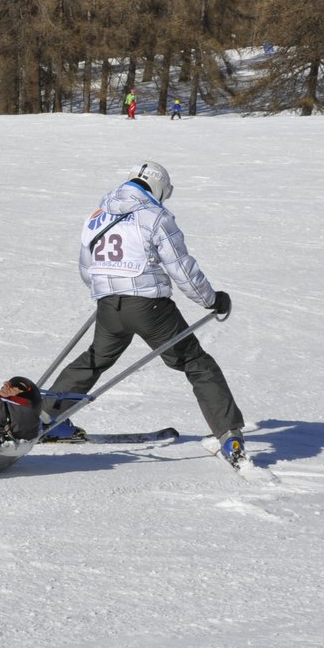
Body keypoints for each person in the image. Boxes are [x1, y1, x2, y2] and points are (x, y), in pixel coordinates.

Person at [48, 161, 248, 465]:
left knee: (95, 359)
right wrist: (211, 300)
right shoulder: (155, 217)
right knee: (196, 362)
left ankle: (48, 416)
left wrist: (108, 291)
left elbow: (87, 268)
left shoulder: (97, 216)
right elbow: (182, 270)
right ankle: (229, 436)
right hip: (150, 308)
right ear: (157, 188)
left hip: (108, 306)